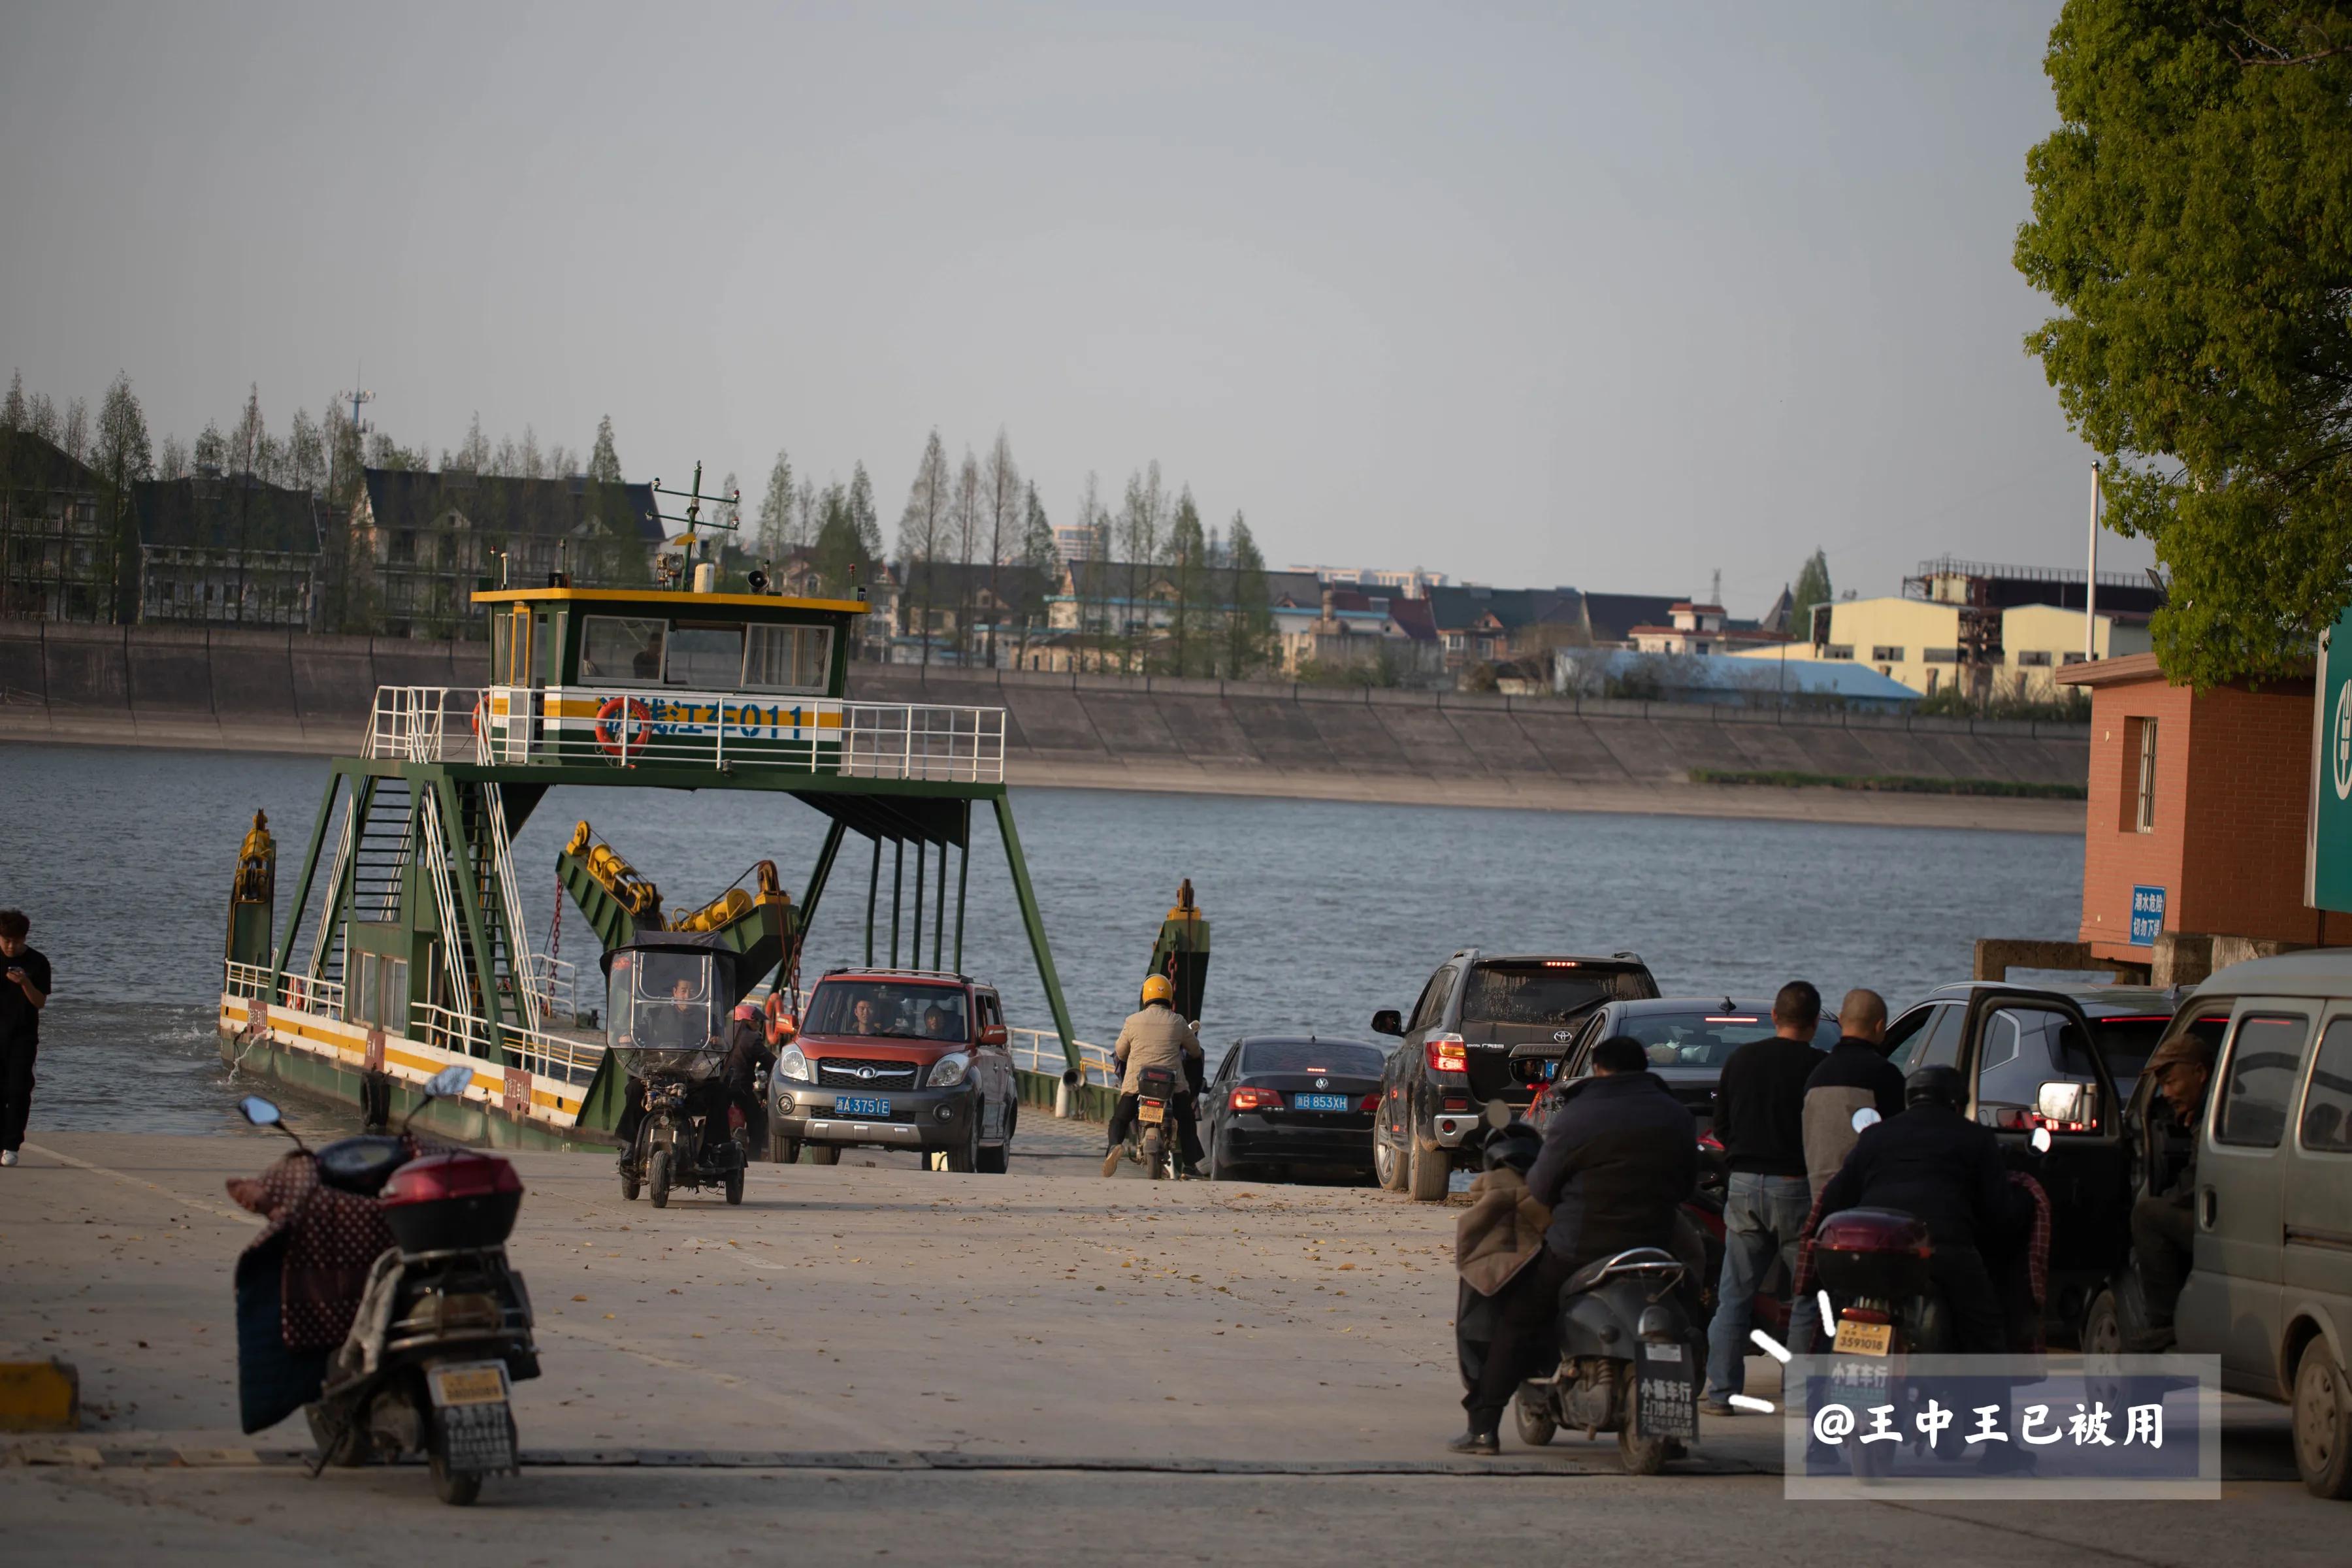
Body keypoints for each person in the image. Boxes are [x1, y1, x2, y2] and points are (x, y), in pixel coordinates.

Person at [1451, 1033, 1697, 1454]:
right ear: (1644, 1069)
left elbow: (1543, 1187)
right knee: (1691, 1311)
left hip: (1581, 1246)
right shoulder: (1676, 1115)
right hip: (1658, 1242)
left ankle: (1483, 1428)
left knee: (1519, 1318)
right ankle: (1670, 1422)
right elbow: (1687, 1185)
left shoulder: (1578, 1116)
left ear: (1599, 1069)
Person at [1812, 1065, 2012, 1354]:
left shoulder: (1876, 1135)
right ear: (1957, 1102)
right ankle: (1986, 1398)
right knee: (1984, 1328)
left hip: (1871, 1252)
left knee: (1830, 1319)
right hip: (1943, 1247)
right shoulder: (1976, 1137)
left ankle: (1819, 1387)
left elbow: (1836, 1195)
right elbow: (1998, 1210)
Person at [1703, 979, 1823, 1414]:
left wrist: (1739, 1157)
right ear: (1813, 1023)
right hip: (1798, 1185)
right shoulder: (1819, 1067)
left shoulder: (1741, 1060)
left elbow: (1722, 1123)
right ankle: (1797, 1397)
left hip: (1745, 1182)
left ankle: (1721, 1393)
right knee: (1805, 1297)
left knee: (1734, 1294)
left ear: (1775, 1016)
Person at [2129, 1031, 2216, 1346]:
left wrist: (2165, 1201)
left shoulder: (2212, 1115)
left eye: (2172, 1082)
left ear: (2200, 1074)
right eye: (2162, 1085)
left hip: (2223, 1223)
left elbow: (2193, 1184)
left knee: (2148, 1215)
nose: (2166, 1093)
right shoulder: (2213, 1107)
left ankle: (2165, 1322)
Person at [1802, 988, 1906, 1201]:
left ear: (1841, 1020)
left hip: (1819, 1198)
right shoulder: (1886, 1075)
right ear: (1880, 1027)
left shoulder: (1816, 1075)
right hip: (1866, 1199)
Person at [1102, 974, 1205, 1179]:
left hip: (1138, 1082)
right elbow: (1195, 1051)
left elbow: (1121, 1052)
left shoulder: (1133, 1021)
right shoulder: (1178, 1021)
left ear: (1145, 996)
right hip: (1171, 1083)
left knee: (1120, 1118)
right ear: (1169, 996)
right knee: (1186, 1119)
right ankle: (1190, 1166)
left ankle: (1114, 1146)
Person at [0, 910, 50, 1168]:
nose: (11, 946)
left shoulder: (37, 962)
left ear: (25, 938)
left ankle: (11, 1146)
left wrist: (25, 983)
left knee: (19, 1089)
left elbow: (40, 1002)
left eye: (17, 941)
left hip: (23, 1035)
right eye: (6, 940)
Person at [724, 1002, 776, 1155]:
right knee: (757, 1120)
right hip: (741, 1086)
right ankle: (754, 1154)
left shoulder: (724, 1032)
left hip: (721, 1084)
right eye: (756, 1022)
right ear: (749, 1020)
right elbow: (770, 1061)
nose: (758, 1025)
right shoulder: (752, 1038)